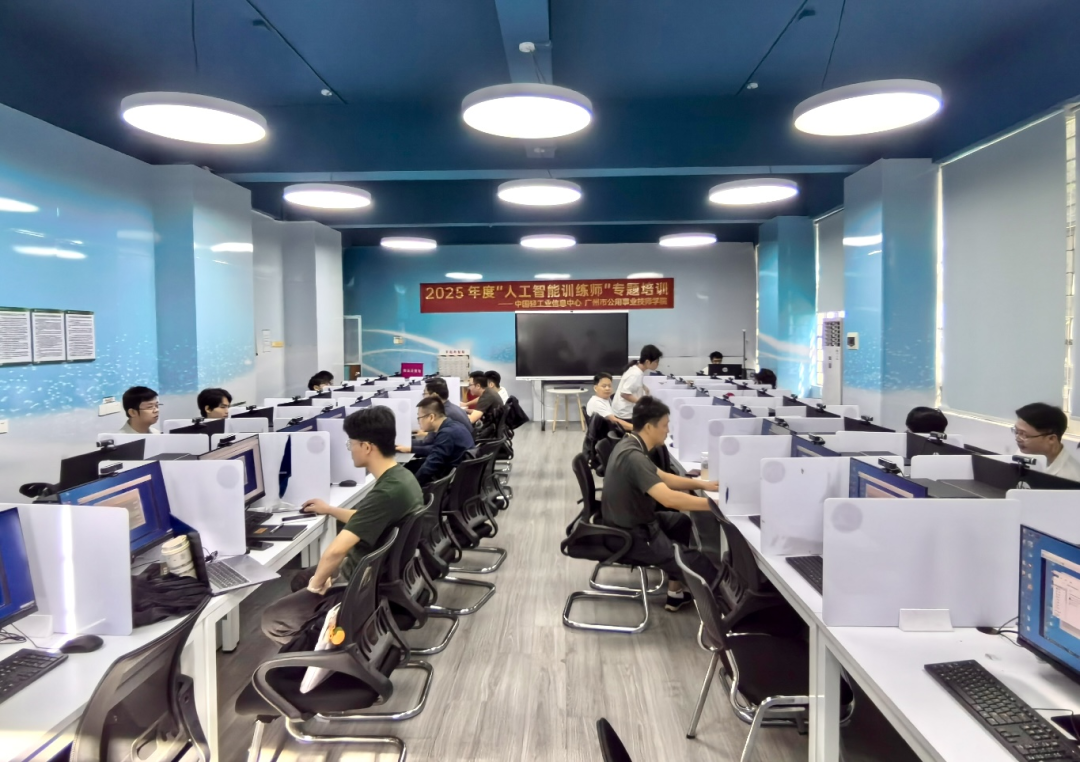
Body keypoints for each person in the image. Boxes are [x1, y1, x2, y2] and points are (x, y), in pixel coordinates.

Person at [261, 406, 425, 645]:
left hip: (359, 582)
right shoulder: (401, 478)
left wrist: (315, 589)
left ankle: (317, 652)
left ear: (366, 447)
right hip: (377, 573)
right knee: (302, 578)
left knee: (274, 618)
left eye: (351, 444)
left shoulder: (387, 491)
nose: (350, 450)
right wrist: (330, 510)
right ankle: (316, 629)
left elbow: (335, 551)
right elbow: (368, 516)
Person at [601, 396, 721, 611]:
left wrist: (702, 484)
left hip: (634, 522)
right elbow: (669, 499)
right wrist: (717, 507)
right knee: (697, 562)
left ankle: (675, 593)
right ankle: (726, 618)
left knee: (680, 523)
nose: (668, 430)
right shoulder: (634, 457)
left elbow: (663, 477)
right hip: (632, 535)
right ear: (649, 427)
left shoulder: (631, 444)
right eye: (665, 425)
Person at [397, 397, 475, 485]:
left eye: (419, 418)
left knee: (408, 472)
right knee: (412, 465)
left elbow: (431, 464)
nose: (418, 422)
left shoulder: (446, 434)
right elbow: (435, 449)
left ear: (431, 417)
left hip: (452, 480)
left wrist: (413, 486)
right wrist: (410, 449)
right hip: (462, 476)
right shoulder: (453, 425)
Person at [1014, 403, 1080, 481]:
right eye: (1016, 431)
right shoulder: (1023, 453)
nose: (1017, 439)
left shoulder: (1072, 478)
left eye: (1024, 434)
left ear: (1051, 439)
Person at [611, 345, 662, 421]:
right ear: (647, 362)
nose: (658, 364)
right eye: (656, 362)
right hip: (624, 414)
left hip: (622, 411)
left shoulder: (636, 369)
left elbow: (633, 383)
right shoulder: (635, 374)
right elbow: (624, 394)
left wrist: (643, 387)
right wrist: (642, 403)